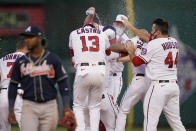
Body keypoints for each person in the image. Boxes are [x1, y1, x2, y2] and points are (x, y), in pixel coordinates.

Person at [8, 25, 73, 131]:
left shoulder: (53, 59)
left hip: (49, 106)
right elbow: (13, 85)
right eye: (26, 38)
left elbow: (63, 83)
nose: (26, 40)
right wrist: (11, 108)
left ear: (39, 39)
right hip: (29, 105)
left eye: (30, 37)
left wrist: (66, 106)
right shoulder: (20, 62)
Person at [126, 18, 186, 131]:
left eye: (153, 29)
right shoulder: (174, 41)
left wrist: (130, 52)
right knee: (177, 123)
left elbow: (136, 62)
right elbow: (155, 41)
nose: (151, 31)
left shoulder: (153, 44)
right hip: (173, 87)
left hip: (158, 87)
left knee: (150, 123)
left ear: (158, 32)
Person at [69, 15, 111, 130]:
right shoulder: (102, 34)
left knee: (78, 106)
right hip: (100, 71)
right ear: (93, 26)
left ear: (84, 25)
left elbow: (72, 51)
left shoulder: (74, 33)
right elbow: (108, 51)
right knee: (95, 107)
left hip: (83, 71)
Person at [0, 37, 28, 131]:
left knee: (3, 129)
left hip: (3, 94)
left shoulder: (2, 59)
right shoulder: (27, 59)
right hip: (20, 93)